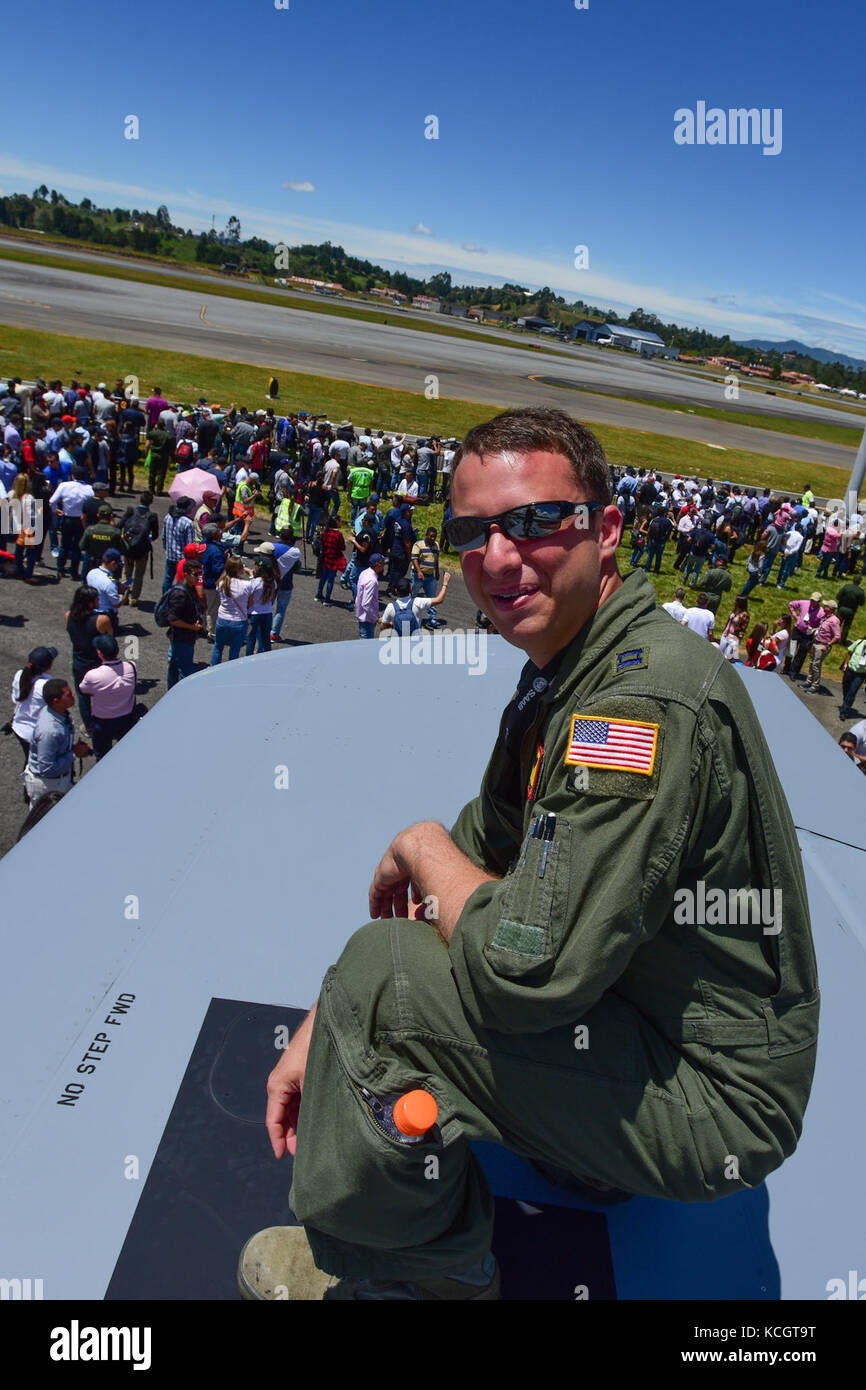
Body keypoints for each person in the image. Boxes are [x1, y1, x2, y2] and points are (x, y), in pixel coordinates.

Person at [239, 406, 817, 1302]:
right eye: (472, 531)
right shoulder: (581, 658)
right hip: (662, 1029)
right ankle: (582, 1150)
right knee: (395, 961)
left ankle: (424, 1270)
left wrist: (416, 855)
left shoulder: (632, 710)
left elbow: (526, 971)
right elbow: (496, 835)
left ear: (607, 529)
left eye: (539, 521)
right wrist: (324, 1021)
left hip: (715, 1105)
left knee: (386, 980)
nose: (499, 558)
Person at [24, 678, 92, 805]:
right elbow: (47, 768)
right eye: (68, 694)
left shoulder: (60, 713)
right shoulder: (49, 731)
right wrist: (74, 754)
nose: (73, 695)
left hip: (60, 779)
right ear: (56, 701)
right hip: (48, 784)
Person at [78, 634, 138, 760]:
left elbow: (83, 689)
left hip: (103, 722)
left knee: (102, 756)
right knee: (127, 753)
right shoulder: (132, 667)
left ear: (99, 653)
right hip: (126, 718)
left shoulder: (93, 675)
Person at [65, 585, 113, 731]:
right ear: (90, 603)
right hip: (98, 664)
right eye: (96, 599)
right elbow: (110, 640)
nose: (99, 600)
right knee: (104, 695)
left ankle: (89, 728)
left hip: (79, 662)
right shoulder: (101, 620)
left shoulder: (68, 616)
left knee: (83, 697)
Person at [10, 647, 57, 776]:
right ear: (49, 666)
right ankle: (31, 788)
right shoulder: (46, 684)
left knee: (30, 759)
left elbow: (15, 698)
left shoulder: (20, 674)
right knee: (35, 764)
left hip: (19, 727)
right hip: (34, 733)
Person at [51, 465, 94, 581]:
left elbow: (52, 501)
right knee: (77, 547)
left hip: (67, 518)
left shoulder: (64, 486)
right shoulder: (89, 489)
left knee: (64, 544)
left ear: (72, 475)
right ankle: (74, 571)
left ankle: (60, 568)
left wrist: (56, 510)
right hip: (81, 520)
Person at [166, 558, 204, 687]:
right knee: (186, 673)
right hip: (182, 637)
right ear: (186, 574)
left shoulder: (190, 588)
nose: (198, 578)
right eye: (195, 574)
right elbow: (173, 619)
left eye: (200, 574)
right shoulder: (179, 593)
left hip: (185, 636)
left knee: (174, 667)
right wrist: (192, 627)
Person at [211, 555, 254, 664]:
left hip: (223, 619)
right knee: (234, 651)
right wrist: (251, 576)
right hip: (239, 620)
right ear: (240, 570)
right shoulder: (247, 584)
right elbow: (251, 603)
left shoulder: (221, 583)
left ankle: (213, 668)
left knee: (218, 647)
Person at [119, 492, 159, 606]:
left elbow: (120, 525)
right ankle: (134, 598)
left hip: (128, 546)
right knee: (138, 575)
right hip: (142, 549)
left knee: (127, 572)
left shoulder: (131, 511)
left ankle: (124, 595)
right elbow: (155, 535)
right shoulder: (152, 516)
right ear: (151, 502)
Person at [380, 572, 450, 633]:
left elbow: (383, 628)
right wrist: (445, 584)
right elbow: (439, 600)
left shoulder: (390, 607)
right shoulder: (417, 602)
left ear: (396, 590)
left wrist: (391, 624)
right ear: (410, 589)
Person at [271, 528, 302, 642]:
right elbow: (298, 568)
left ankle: (263, 630)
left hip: (271, 582)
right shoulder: (295, 551)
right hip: (286, 583)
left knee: (267, 607)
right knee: (281, 609)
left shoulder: (271, 547)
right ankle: (274, 634)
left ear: (280, 536)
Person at [804, 600, 841, 694]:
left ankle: (815, 685)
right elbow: (822, 628)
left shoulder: (834, 620)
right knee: (812, 662)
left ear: (831, 609)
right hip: (816, 642)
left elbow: (837, 636)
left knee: (816, 665)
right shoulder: (825, 617)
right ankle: (809, 681)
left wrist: (827, 645)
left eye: (826, 606)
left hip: (823, 645)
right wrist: (814, 630)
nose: (824, 607)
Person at [246, 551, 278, 654]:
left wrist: (251, 577)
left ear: (259, 568)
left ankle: (248, 658)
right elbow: (272, 597)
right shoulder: (273, 582)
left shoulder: (255, 582)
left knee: (251, 638)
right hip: (267, 613)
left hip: (254, 614)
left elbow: (248, 596)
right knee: (266, 639)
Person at [162, 497, 196, 593]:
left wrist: (167, 549)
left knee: (167, 580)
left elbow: (164, 536)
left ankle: (165, 599)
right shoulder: (188, 523)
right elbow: (190, 545)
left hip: (170, 555)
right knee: (181, 581)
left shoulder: (167, 517)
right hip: (182, 559)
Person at [787, 593, 825, 680]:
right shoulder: (804, 603)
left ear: (818, 602)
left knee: (801, 654)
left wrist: (815, 629)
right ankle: (786, 667)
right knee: (791, 649)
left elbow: (822, 624)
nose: (812, 602)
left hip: (807, 635)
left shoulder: (821, 612)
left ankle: (794, 672)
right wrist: (795, 616)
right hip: (797, 630)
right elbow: (791, 604)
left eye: (814, 601)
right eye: (811, 600)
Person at [87, 548, 125, 632]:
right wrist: (122, 592)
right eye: (117, 565)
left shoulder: (92, 572)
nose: (117, 567)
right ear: (113, 563)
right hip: (107, 616)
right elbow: (117, 604)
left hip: (92, 612)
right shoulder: (109, 583)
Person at [201, 522, 228, 639]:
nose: (221, 531)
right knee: (213, 609)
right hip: (212, 583)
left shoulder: (203, 544)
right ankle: (211, 632)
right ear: (213, 535)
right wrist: (227, 560)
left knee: (204, 606)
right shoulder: (216, 550)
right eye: (218, 530)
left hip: (204, 581)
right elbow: (218, 569)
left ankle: (202, 627)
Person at [315, 517, 346, 605]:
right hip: (334, 559)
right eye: (340, 521)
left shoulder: (325, 532)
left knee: (323, 577)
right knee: (331, 579)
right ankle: (327, 598)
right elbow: (342, 547)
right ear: (336, 522)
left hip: (325, 557)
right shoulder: (338, 534)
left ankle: (319, 594)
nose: (341, 523)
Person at [355, 553, 384, 638]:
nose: (384, 566)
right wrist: (376, 618)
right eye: (383, 563)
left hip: (362, 615)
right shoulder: (372, 581)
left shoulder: (364, 572)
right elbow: (366, 604)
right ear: (378, 564)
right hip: (367, 618)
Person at [838, 632, 866, 720]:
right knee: (845, 687)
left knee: (852, 691)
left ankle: (844, 711)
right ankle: (846, 702)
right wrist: (845, 663)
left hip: (861, 673)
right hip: (850, 669)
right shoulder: (859, 642)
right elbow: (850, 652)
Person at [836, 575, 865, 643]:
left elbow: (838, 596)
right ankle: (842, 641)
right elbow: (861, 603)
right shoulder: (860, 591)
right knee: (846, 626)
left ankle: (833, 637)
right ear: (860, 582)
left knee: (837, 624)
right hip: (851, 610)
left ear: (853, 579)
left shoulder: (846, 587)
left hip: (841, 608)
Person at [719, 596, 749, 661]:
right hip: (725, 635)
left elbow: (742, 630)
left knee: (728, 658)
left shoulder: (744, 615)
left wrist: (737, 642)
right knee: (720, 655)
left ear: (740, 603)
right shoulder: (735, 610)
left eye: (736, 601)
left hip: (733, 639)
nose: (734, 602)